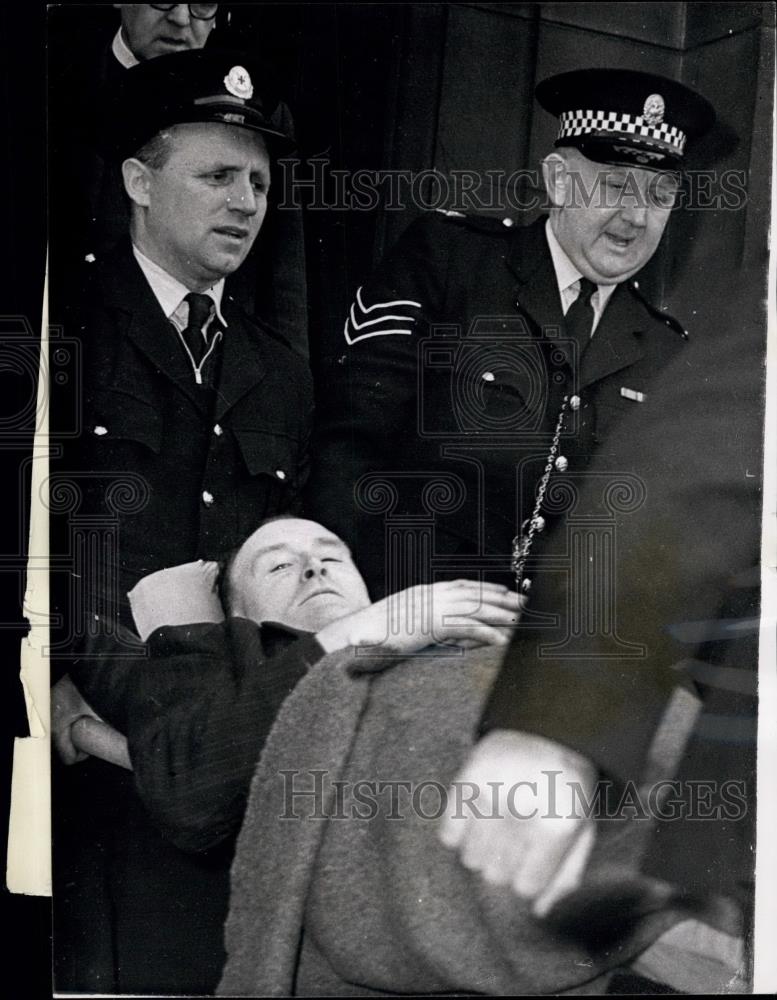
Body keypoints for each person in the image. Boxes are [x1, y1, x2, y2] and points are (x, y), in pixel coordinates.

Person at [50, 49, 311, 994]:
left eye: (258, 182)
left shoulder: (275, 364)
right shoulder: (61, 324)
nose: (244, 201)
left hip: (208, 762)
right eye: (216, 175)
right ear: (137, 181)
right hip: (74, 740)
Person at [69, 516, 522, 856]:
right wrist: (353, 637)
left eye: (332, 558)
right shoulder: (207, 653)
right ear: (235, 613)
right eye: (280, 566)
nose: (314, 569)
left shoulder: (447, 632)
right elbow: (189, 795)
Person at [48, 4, 308, 355]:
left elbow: (283, 274)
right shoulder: (57, 82)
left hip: (211, 347)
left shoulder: (262, 108)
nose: (181, 19)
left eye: (202, 4)